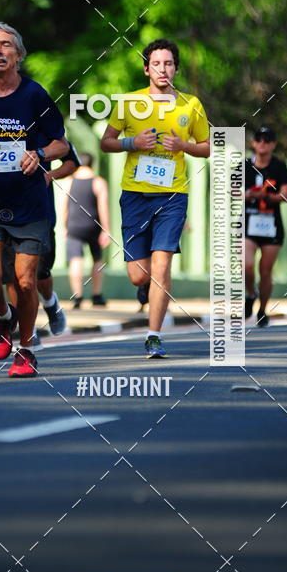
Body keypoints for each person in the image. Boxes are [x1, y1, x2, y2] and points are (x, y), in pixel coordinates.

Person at [0, 22, 68, 378]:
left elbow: (62, 145)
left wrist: (38, 152)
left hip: (30, 201)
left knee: (25, 281)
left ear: (19, 55)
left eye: (6, 45)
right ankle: (4, 317)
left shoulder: (34, 95)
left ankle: (26, 350)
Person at [100, 38, 210, 358]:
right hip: (135, 194)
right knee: (140, 273)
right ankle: (144, 288)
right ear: (147, 68)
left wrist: (184, 147)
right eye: (157, 64)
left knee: (162, 265)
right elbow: (107, 142)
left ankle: (153, 335)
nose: (163, 69)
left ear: (176, 68)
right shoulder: (129, 103)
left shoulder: (191, 104)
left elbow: (206, 146)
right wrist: (132, 142)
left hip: (173, 195)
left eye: (169, 63)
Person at [3, 140, 80, 346]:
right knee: (13, 277)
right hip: (3, 213)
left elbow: (72, 162)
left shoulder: (44, 125)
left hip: (39, 215)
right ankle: (27, 329)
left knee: (38, 275)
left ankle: (50, 302)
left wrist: (49, 175)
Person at [244, 126, 287, 327]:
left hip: (271, 225)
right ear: (253, 143)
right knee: (246, 264)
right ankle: (250, 293)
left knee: (265, 270)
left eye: (267, 139)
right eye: (259, 139)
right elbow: (231, 190)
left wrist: (268, 197)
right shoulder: (245, 166)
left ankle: (263, 310)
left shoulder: (279, 166)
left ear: (273, 144)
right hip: (248, 224)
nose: (262, 143)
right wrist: (249, 195)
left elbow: (286, 194)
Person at [64, 153, 111, 308]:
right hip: (93, 226)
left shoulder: (69, 181)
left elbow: (65, 206)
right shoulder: (98, 182)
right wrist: (106, 229)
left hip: (74, 226)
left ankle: (77, 297)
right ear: (93, 163)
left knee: (76, 260)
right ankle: (97, 296)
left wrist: (65, 226)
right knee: (97, 259)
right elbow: (103, 207)